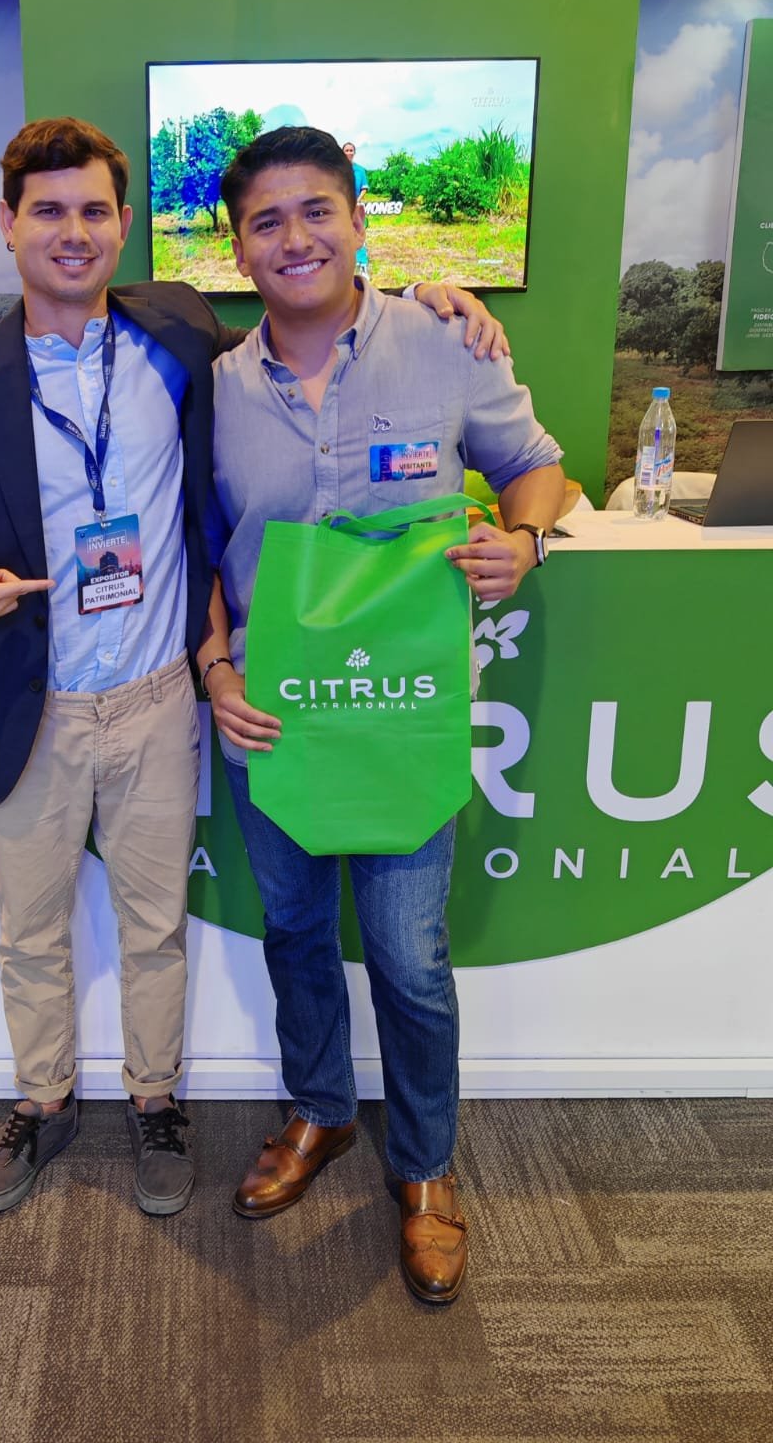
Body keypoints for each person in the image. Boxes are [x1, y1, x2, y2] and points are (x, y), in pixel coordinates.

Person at [0, 116, 508, 1221]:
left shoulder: (177, 331)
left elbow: (307, 313)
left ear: (124, 224)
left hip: (156, 701)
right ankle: (42, 1103)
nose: (74, 232)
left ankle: (157, 1103)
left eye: (94, 210)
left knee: (156, 931)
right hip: (33, 702)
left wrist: (433, 298)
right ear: (9, 224)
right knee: (30, 934)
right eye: (49, 210)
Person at [196, 126, 565, 1302]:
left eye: (318, 210)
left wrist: (525, 538)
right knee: (297, 936)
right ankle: (320, 1109)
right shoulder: (213, 388)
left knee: (410, 958)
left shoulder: (446, 341)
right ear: (237, 249)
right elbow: (203, 548)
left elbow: (535, 463)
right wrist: (216, 667)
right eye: (266, 221)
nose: (295, 237)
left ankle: (425, 1165)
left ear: (359, 220)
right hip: (276, 722)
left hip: (401, 713)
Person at [341, 141, 371, 279]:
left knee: (358, 234)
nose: (349, 153)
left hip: (356, 207)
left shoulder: (360, 170)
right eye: (346, 150)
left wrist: (357, 200)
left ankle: (362, 265)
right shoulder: (338, 170)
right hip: (342, 206)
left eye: (351, 150)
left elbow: (364, 188)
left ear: (354, 152)